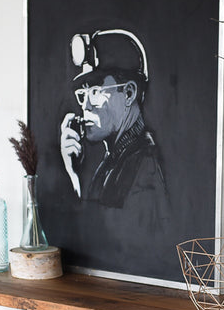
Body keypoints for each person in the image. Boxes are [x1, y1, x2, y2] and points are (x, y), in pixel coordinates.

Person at [59, 29, 169, 210]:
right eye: (83, 94)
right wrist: (73, 174)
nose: (85, 105)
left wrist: (71, 176)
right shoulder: (116, 159)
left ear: (128, 93)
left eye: (94, 92)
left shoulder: (142, 167)